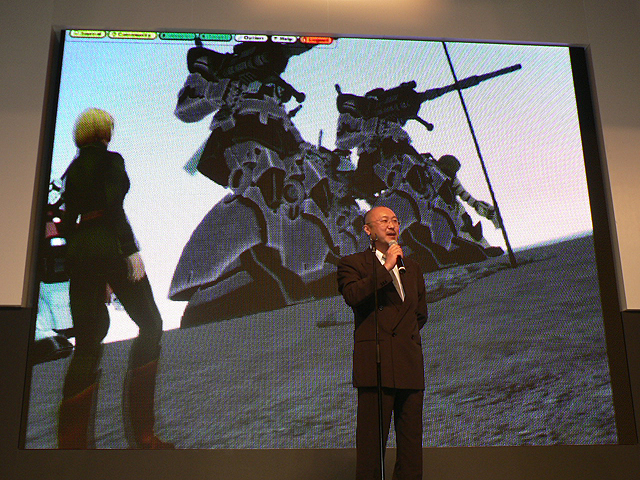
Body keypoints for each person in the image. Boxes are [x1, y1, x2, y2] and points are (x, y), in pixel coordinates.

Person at [57, 108, 173, 449]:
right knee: (151, 323)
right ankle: (144, 437)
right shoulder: (111, 161)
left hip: (81, 254)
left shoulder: (71, 171)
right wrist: (129, 250)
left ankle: (73, 449)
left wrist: (91, 263)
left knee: (87, 344)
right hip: (111, 246)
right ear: (104, 132)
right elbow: (113, 207)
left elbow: (67, 223)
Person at [337, 206, 428, 480]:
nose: (392, 226)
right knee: (371, 448)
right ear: (368, 230)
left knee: (411, 446)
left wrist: (403, 340)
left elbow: (419, 314)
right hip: (375, 366)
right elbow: (353, 296)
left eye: (395, 221)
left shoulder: (412, 267)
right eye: (384, 221)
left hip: (408, 363)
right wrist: (386, 266)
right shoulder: (352, 264)